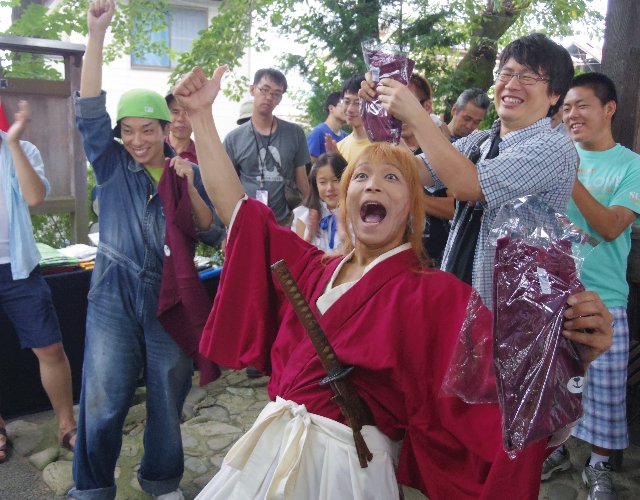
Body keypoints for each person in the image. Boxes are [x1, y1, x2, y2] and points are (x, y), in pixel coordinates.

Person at [172, 64, 614, 500]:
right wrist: (201, 117)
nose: (373, 186)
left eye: (391, 178)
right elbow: (239, 213)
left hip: (349, 471)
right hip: (268, 453)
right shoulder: (310, 268)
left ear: (412, 207)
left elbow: (506, 395)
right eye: (360, 177)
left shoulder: (436, 296)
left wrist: (574, 355)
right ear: (345, 200)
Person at [69, 2, 222, 499]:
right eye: (128, 130)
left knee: (167, 399)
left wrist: (190, 187)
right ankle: (92, 488)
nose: (137, 140)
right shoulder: (112, 165)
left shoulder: (185, 170)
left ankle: (161, 480)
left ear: (164, 128)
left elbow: (211, 233)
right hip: (112, 296)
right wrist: (97, 35)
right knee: (103, 401)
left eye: (147, 129)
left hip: (169, 296)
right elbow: (89, 108)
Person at [362, 33, 578, 307]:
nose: (512, 85)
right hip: (460, 300)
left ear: (555, 94)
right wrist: (381, 115)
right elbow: (412, 170)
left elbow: (469, 185)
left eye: (528, 77)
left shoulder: (555, 146)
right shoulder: (480, 141)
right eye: (506, 74)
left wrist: (415, 115)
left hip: (511, 314)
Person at [542, 73, 640, 500]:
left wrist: (568, 176)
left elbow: (609, 226)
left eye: (582, 105)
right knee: (552, 384)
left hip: (605, 297)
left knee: (603, 388)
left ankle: (600, 464)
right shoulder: (553, 154)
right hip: (550, 294)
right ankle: (558, 449)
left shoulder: (634, 166)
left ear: (609, 108)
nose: (572, 114)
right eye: (566, 107)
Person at [0, 100, 77, 462]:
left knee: (50, 347)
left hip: (18, 266)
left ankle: (66, 425)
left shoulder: (21, 147)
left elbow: (34, 196)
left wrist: (14, 142)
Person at [223, 67, 309, 226]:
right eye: (265, 90)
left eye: (276, 94)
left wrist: (309, 214)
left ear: (280, 99)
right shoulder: (233, 139)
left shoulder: (295, 133)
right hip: (246, 222)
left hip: (284, 222)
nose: (269, 97)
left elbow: (302, 180)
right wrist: (228, 226)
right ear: (252, 90)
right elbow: (227, 186)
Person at [402, 73, 454, 264]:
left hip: (435, 261)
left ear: (427, 106)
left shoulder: (444, 150)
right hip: (397, 259)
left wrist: (416, 200)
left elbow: (458, 207)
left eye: (406, 104)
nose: (399, 113)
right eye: (393, 106)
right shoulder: (385, 150)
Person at [292, 153, 347, 252]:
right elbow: (296, 255)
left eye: (335, 180)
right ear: (315, 184)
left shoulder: (357, 215)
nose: (330, 188)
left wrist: (345, 238)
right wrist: (309, 236)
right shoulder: (304, 215)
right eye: (322, 182)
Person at [335, 75, 371, 165]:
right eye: (346, 102)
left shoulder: (382, 145)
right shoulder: (338, 148)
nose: (350, 109)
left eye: (358, 103)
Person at [307, 91, 348, 164]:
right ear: (331, 108)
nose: (348, 109)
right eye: (344, 105)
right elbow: (309, 166)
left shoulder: (346, 137)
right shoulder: (318, 133)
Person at [165, 92, 197, 163]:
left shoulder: (204, 157)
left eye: (188, 113)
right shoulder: (153, 149)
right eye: (175, 112)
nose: (181, 119)